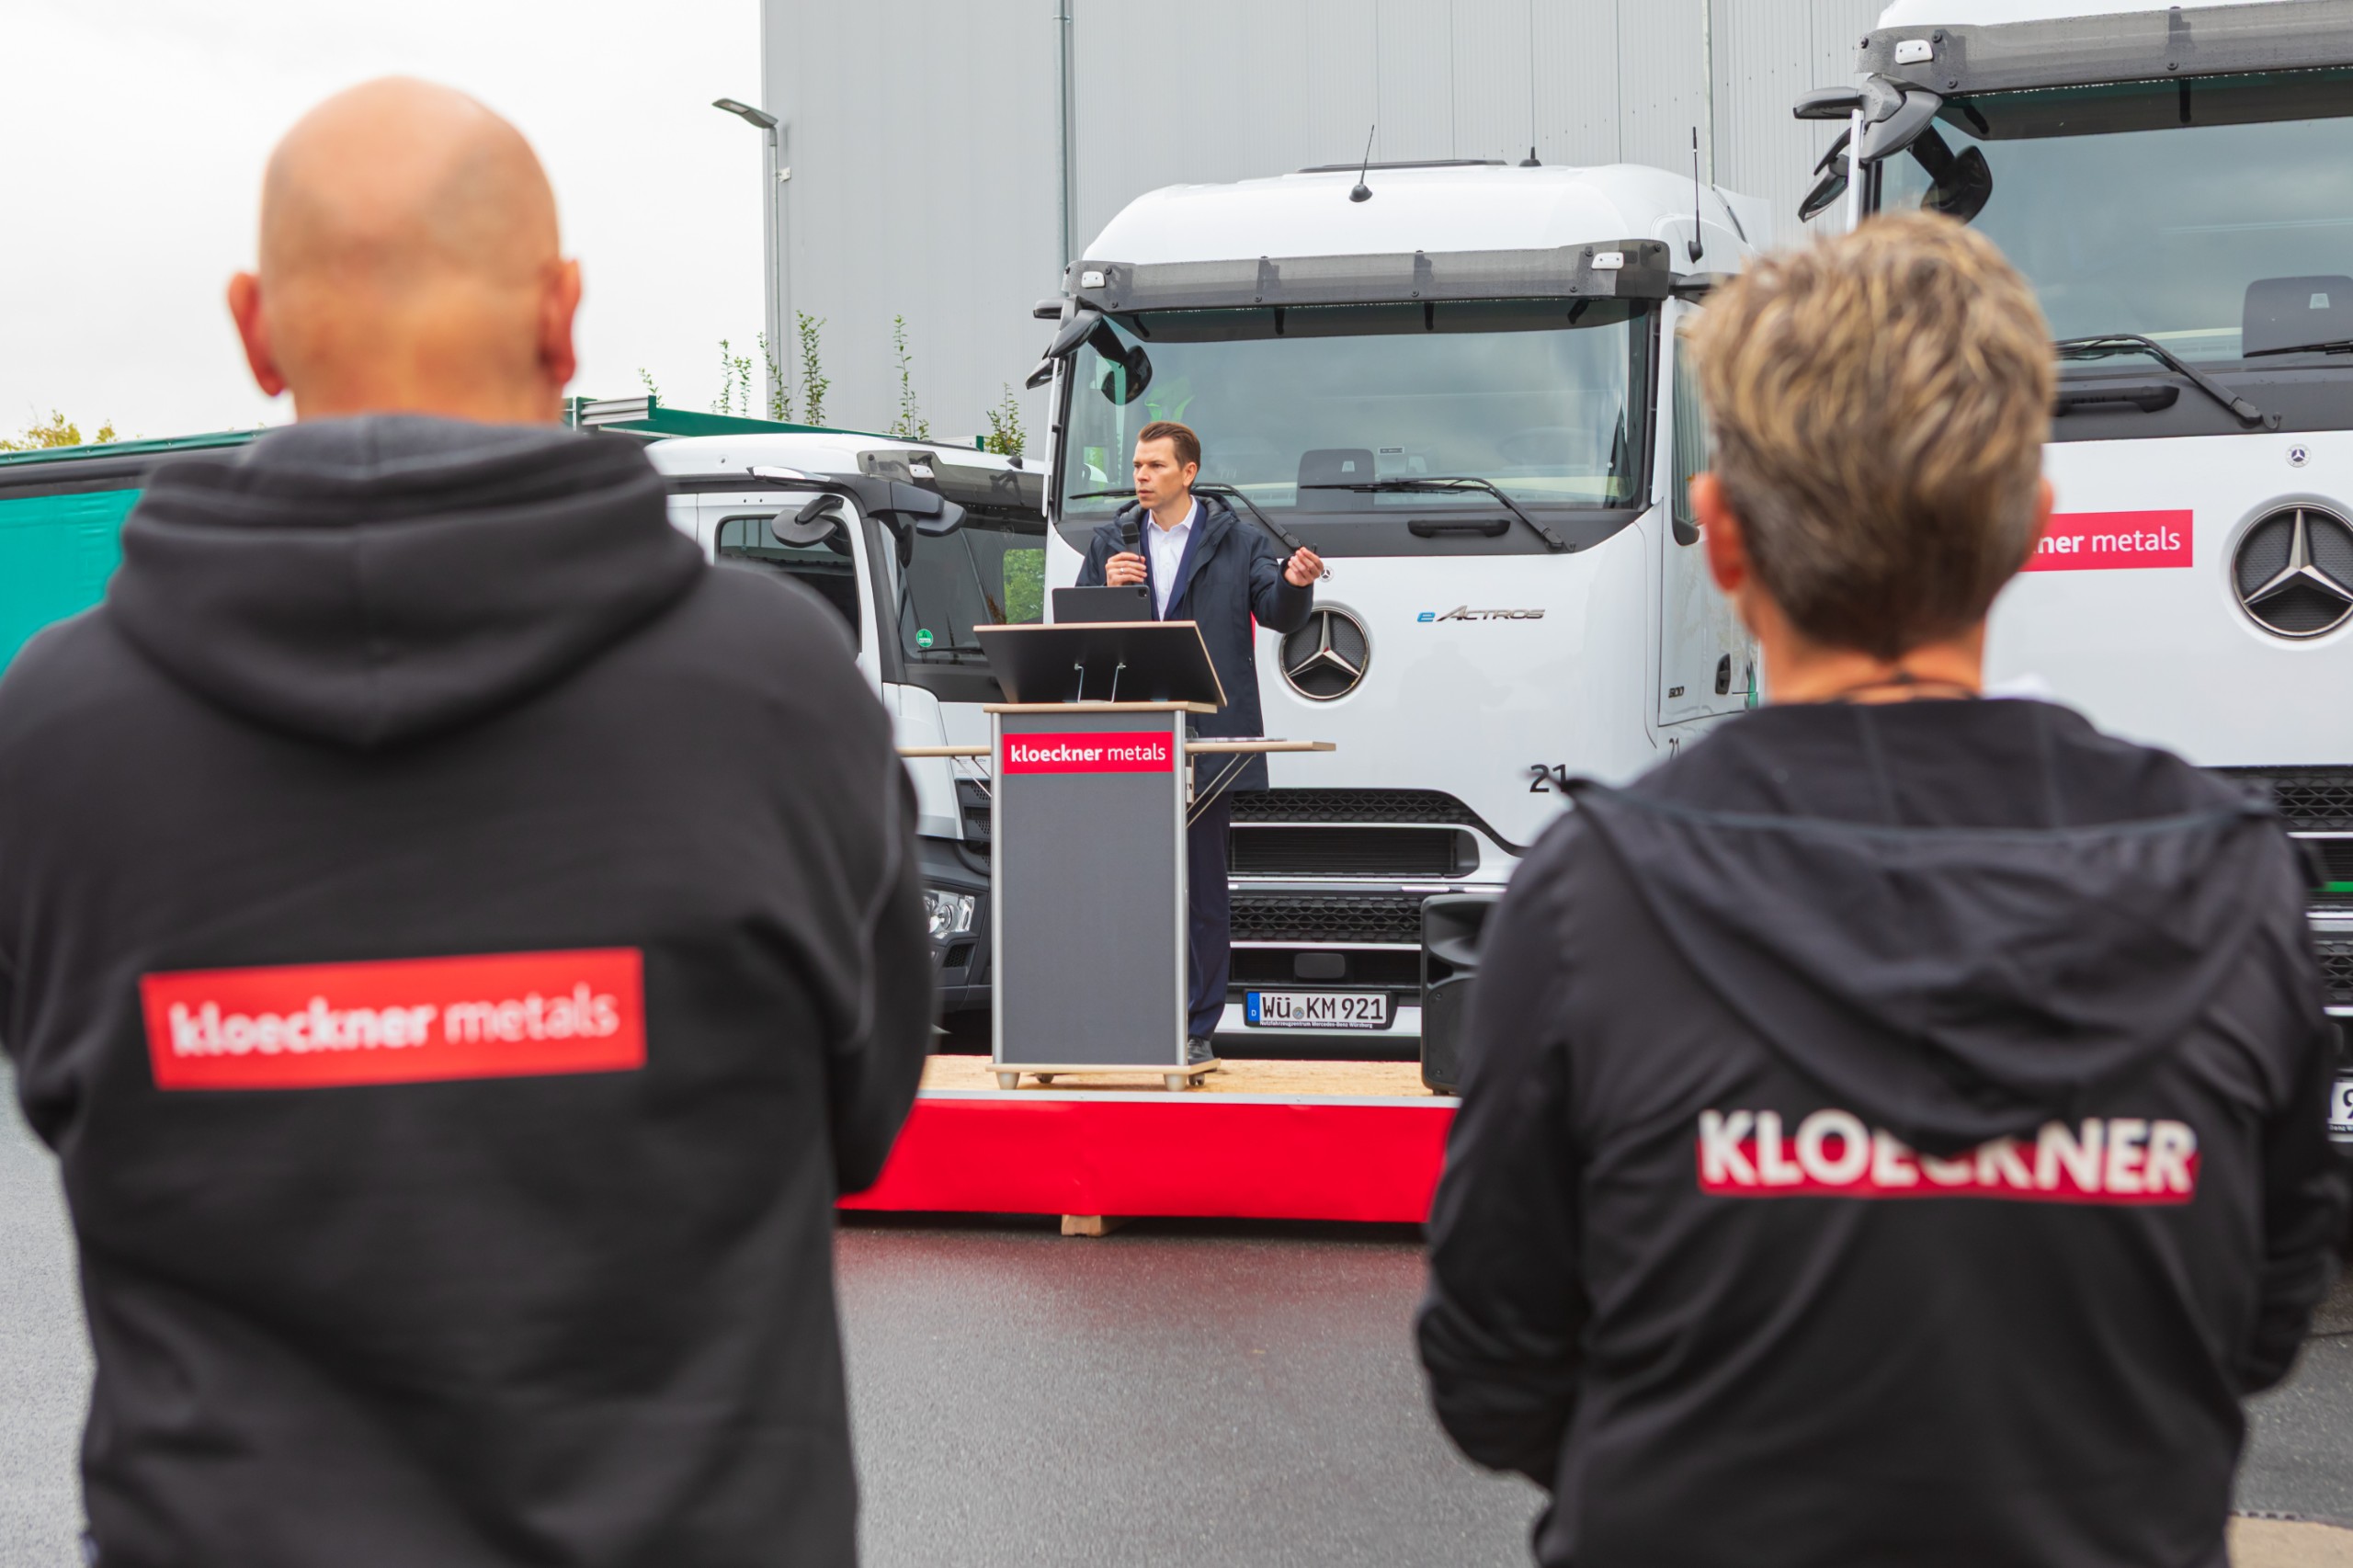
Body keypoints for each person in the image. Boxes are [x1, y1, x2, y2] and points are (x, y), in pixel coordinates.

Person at [0, 79, 930, 1567]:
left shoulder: (54, 741)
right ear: (562, 316)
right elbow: (864, 1121)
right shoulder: (778, 699)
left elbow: (72, 1105)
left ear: (255, 327)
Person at [1416, 212, 2347, 1568]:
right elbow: (2262, 1315)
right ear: (2030, 524)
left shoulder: (1593, 901)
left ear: (1721, 537)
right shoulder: (2230, 878)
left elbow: (1493, 1366)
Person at [1074, 422, 1321, 1063]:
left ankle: (1197, 1027)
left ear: (1189, 473)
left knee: (1204, 893)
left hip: (1208, 742)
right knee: (1127, 886)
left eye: (1155, 465)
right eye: (1136, 466)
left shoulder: (1239, 543)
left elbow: (1279, 614)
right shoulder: (1111, 539)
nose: (1141, 476)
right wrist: (1102, 587)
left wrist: (1296, 582)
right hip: (1130, 736)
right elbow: (1072, 626)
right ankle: (1128, 1017)